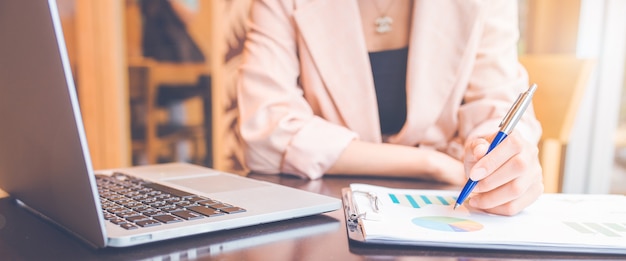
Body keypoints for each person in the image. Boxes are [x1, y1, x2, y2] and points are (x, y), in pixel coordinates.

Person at [236, 0, 543, 216]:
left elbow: (497, 107)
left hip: (443, 210)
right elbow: (265, 133)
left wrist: (498, 156)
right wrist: (430, 163)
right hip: (322, 208)